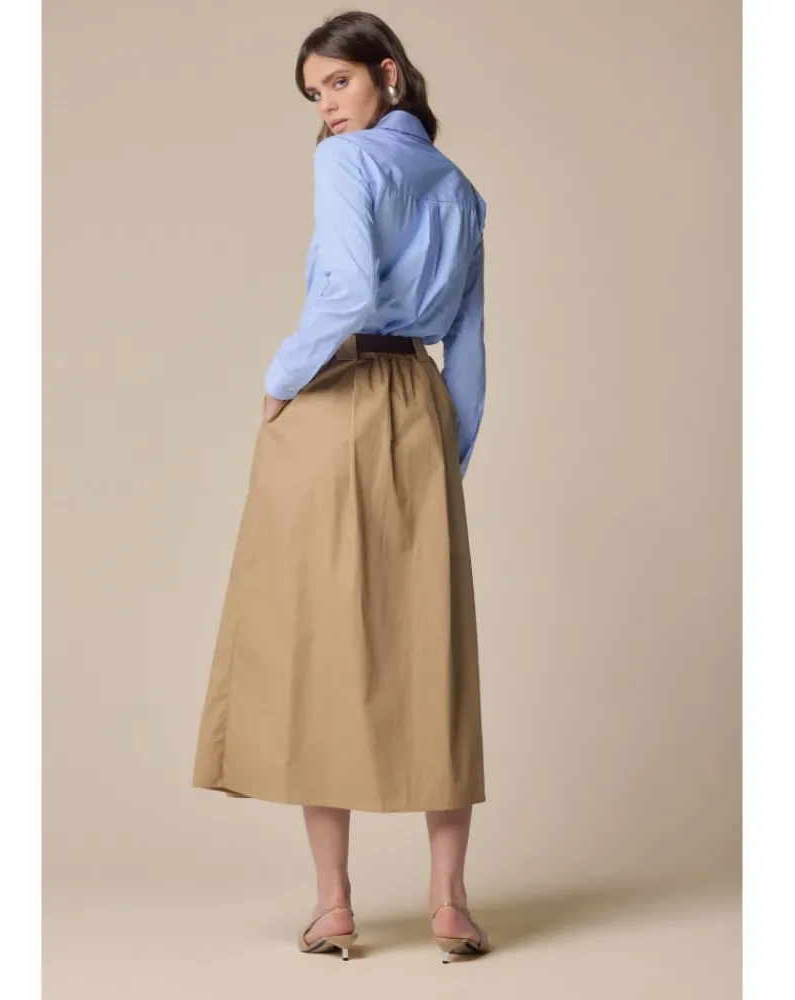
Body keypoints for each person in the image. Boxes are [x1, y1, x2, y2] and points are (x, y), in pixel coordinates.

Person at [191, 11, 489, 963]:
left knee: (321, 640)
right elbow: (469, 346)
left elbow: (349, 292)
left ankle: (334, 906)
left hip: (339, 389)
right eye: (315, 93)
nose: (326, 106)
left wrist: (282, 380)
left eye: (338, 83)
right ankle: (450, 904)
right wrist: (446, 456)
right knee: (434, 646)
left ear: (386, 73)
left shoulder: (346, 161)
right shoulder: (461, 188)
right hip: (422, 406)